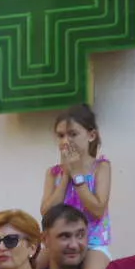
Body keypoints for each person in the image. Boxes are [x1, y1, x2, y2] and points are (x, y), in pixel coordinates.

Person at [38, 103, 112, 252]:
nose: (66, 141)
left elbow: (98, 210)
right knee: (35, 263)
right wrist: (66, 175)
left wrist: (77, 175)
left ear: (91, 135)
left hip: (93, 242)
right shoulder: (53, 173)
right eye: (61, 136)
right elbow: (46, 213)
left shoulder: (101, 167)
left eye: (73, 134)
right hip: (60, 243)